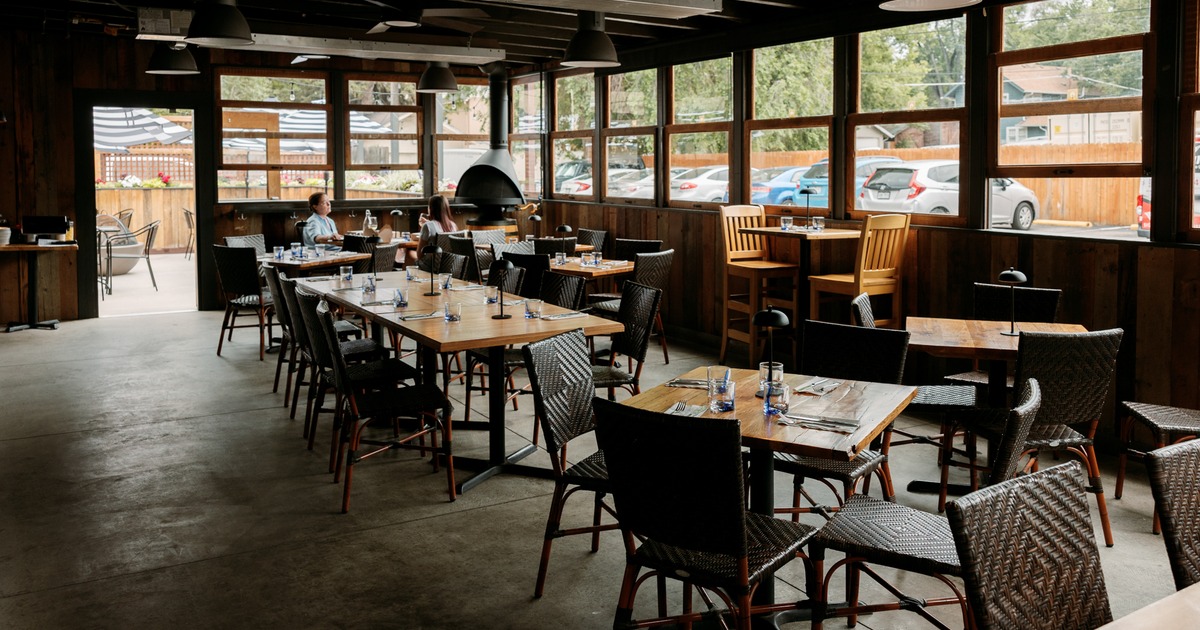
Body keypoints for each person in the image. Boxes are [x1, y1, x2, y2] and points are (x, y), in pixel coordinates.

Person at [411, 194, 458, 267]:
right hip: (448, 266)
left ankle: (410, 277)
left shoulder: (427, 226)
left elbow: (419, 255)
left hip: (431, 266)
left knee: (409, 253)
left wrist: (426, 226)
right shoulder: (453, 225)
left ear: (430, 208)